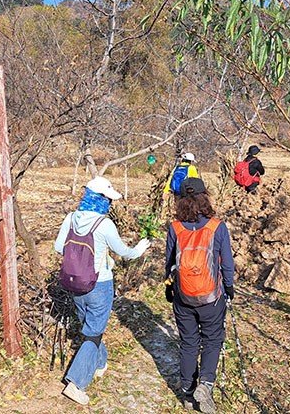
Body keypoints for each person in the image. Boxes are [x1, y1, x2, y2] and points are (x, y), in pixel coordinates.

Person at [54, 176, 151, 406]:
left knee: (91, 327)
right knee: (94, 332)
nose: (110, 203)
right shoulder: (104, 224)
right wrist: (139, 248)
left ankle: (99, 363)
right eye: (108, 199)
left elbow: (59, 247)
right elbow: (124, 252)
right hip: (100, 284)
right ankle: (76, 383)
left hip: (75, 283)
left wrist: (78, 261)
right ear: (101, 200)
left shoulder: (70, 218)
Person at [164, 177, 235, 413]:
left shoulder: (174, 227)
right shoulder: (217, 226)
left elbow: (169, 263)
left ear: (181, 200)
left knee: (188, 343)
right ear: (206, 196)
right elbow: (227, 264)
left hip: (183, 296)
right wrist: (229, 287)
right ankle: (205, 385)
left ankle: (187, 393)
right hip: (211, 298)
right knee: (212, 340)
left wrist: (168, 286)